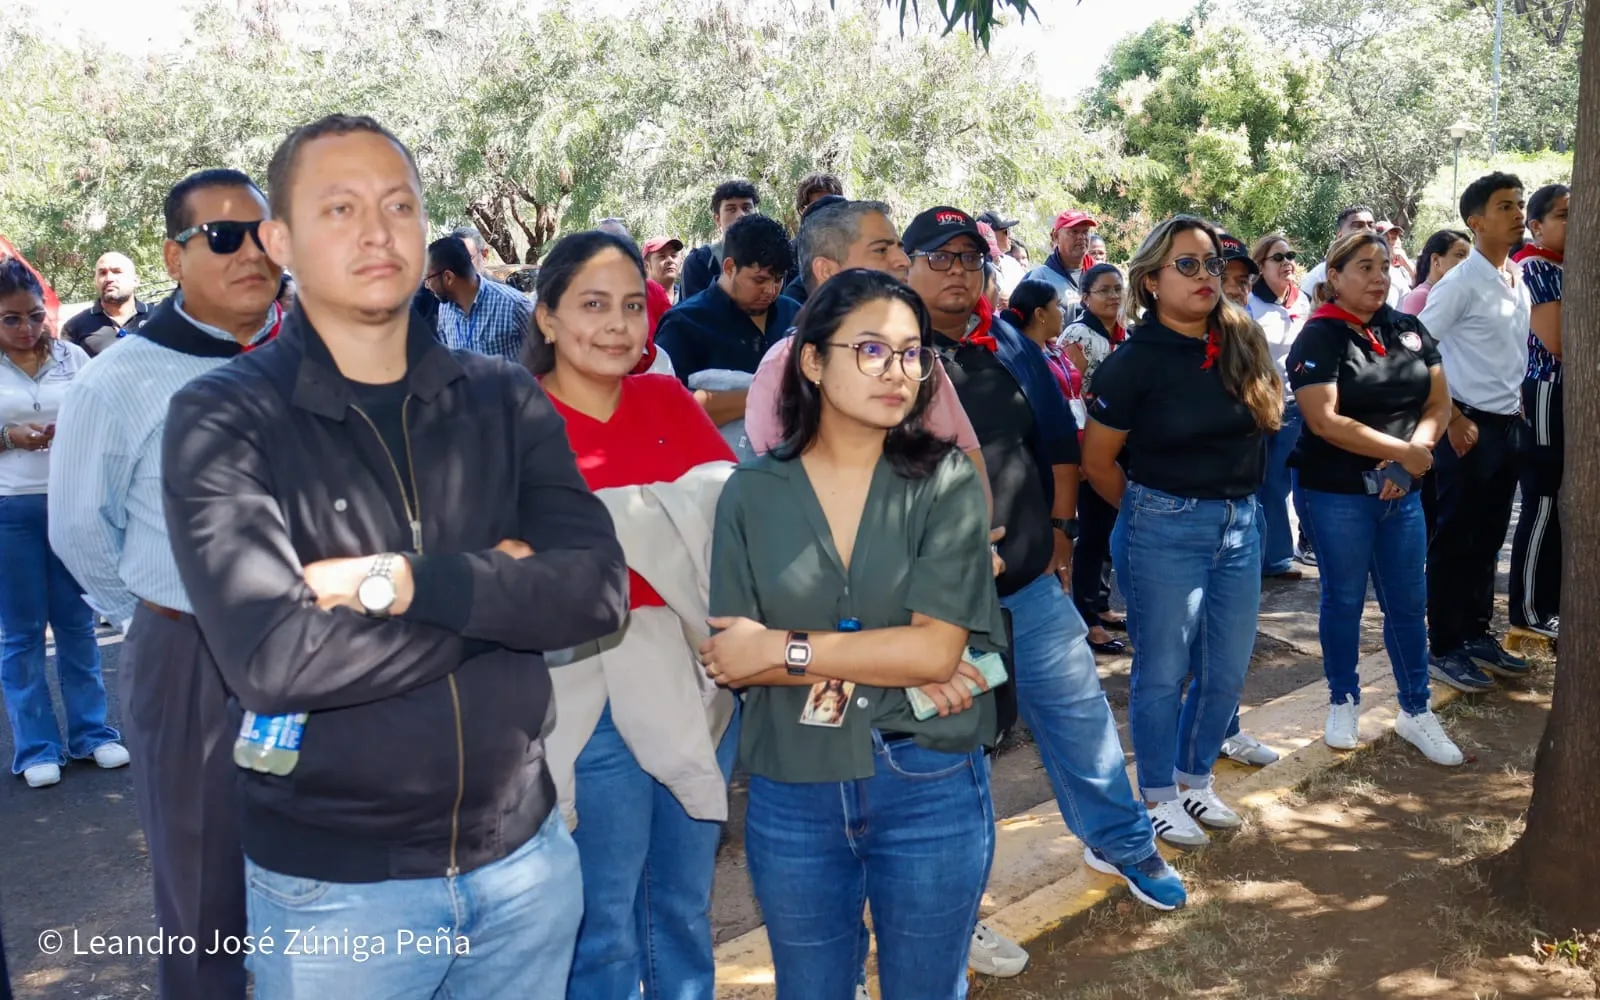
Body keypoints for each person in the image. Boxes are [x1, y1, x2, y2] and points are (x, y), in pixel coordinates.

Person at [160, 114, 628, 998]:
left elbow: (597, 593)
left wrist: (399, 582)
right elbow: (274, 659)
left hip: (525, 863)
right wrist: (504, 588)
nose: (377, 231)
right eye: (339, 208)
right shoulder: (224, 417)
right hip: (337, 896)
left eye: (399, 205)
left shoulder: (502, 398)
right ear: (281, 240)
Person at [703, 268, 1007, 999]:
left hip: (927, 776)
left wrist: (786, 649)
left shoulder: (945, 483)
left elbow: (935, 651)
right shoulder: (751, 492)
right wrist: (896, 651)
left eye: (912, 354)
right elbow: (731, 655)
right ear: (813, 360)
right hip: (794, 786)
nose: (897, 372)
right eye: (871, 350)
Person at [912, 206, 1187, 917]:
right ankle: (954, 912)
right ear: (904, 267)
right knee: (952, 753)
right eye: (938, 258)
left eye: (969, 259)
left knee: (1080, 716)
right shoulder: (881, 349)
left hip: (1028, 583)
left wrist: (1062, 529)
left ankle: (1124, 844)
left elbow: (1057, 444)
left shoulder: (1005, 339)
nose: (956, 272)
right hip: (931, 604)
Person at [49, 167, 283, 1000]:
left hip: (325, 652)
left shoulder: (316, 357)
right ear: (172, 256)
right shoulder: (118, 379)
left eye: (264, 232)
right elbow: (79, 529)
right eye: (224, 236)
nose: (251, 251)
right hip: (193, 661)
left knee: (332, 882)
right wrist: (161, 618)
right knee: (205, 891)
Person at [520, 229, 740, 1000]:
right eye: (591, 305)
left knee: (682, 905)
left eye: (629, 307)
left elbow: (735, 521)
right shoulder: (512, 423)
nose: (617, 325)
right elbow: (535, 567)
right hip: (591, 687)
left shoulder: (665, 399)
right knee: (604, 919)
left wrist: (611, 525)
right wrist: (667, 517)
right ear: (546, 318)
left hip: (698, 676)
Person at [1083, 216, 1283, 848]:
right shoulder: (1131, 364)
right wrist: (1152, 509)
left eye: (1211, 263)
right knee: (1163, 673)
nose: (1206, 276)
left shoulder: (1241, 340)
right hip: (1163, 526)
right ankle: (1159, 795)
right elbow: (1097, 464)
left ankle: (1196, 782)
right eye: (1187, 265)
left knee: (1224, 669)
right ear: (1151, 280)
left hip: (1241, 525)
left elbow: (1269, 423)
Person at [1289, 231, 1462, 764]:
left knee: (1408, 604)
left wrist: (1413, 456)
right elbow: (1324, 420)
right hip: (1337, 490)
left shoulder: (1408, 329)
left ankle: (1416, 709)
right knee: (1343, 600)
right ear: (1334, 277)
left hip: (1402, 489)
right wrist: (1403, 454)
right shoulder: (1319, 337)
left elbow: (1439, 402)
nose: (1379, 275)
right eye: (1363, 266)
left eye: (1384, 265)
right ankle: (1343, 699)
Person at [0, 258, 127, 789]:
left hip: (72, 507)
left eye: (34, 316)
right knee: (23, 633)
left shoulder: (75, 357)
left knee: (77, 624)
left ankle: (92, 734)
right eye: (11, 319)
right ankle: (36, 747)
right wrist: (9, 438)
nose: (27, 329)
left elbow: (107, 417)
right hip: (11, 512)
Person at [1419, 172, 1535, 691]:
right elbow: (1419, 348)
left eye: (1520, 204)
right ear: (1475, 220)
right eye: (1505, 206)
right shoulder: (1461, 282)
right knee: (1456, 536)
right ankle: (1444, 644)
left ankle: (1475, 633)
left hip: (1509, 425)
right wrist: (1455, 417)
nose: (1517, 214)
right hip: (1465, 426)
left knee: (1488, 536)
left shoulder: (1515, 278)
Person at [1001, 279, 1121, 658]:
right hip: (1054, 461)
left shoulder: (1051, 350)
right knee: (1074, 536)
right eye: (1056, 306)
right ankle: (1083, 617)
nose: (1061, 314)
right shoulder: (1022, 358)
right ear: (1039, 314)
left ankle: (1094, 605)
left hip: (1082, 447)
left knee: (1098, 530)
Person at [655, 214, 800, 442]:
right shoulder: (684, 324)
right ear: (730, 267)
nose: (771, 290)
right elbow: (664, 409)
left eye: (779, 279)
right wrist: (761, 396)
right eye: (759, 280)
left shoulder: (795, 315)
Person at [1056, 263, 1128, 645]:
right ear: (1085, 297)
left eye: (1118, 289)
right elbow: (1072, 394)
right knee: (1094, 529)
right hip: (1090, 446)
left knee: (1108, 529)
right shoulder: (1079, 334)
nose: (1113, 296)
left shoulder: (1122, 332)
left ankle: (1100, 603)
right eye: (1104, 290)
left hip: (1117, 442)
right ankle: (1086, 615)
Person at [1508, 183, 1567, 645]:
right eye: (1563, 215)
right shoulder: (1535, 266)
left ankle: (1552, 601)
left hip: (1566, 393)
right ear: (1537, 225)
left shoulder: (1568, 265)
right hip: (1545, 390)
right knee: (1542, 500)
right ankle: (1528, 609)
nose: (1573, 223)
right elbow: (1558, 341)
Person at [1248, 232, 1315, 574]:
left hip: (1293, 405)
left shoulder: (1302, 300)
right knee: (1257, 482)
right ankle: (1257, 558)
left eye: (1290, 255)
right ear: (1260, 266)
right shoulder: (1249, 303)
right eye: (1278, 257)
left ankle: (1274, 558)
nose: (1287, 262)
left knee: (1279, 483)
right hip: (1257, 404)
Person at [425, 234, 532, 361]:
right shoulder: (444, 309)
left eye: (427, 278)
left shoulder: (514, 305)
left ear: (448, 277)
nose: (426, 285)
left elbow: (545, 356)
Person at [678, 179, 761, 300]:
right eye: (731, 209)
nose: (741, 215)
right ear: (717, 219)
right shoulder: (700, 262)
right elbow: (692, 314)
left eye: (746, 208)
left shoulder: (772, 257)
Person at [61, 252, 149, 356]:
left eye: (117, 272)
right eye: (102, 273)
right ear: (95, 281)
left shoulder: (158, 318)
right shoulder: (74, 327)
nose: (109, 279)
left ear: (136, 281)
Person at [1024, 209, 1096, 316]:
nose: (1081, 237)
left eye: (1085, 231)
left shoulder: (1098, 274)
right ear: (1056, 236)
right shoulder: (1040, 278)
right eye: (1074, 231)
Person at [1398, 229, 1473, 316]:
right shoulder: (1420, 297)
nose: (1467, 262)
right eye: (1460, 255)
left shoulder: (1458, 295)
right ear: (1436, 260)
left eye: (1469, 257)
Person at [977, 211, 1027, 298]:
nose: (1010, 236)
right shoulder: (975, 265)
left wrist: (1012, 302)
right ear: (990, 233)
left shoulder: (1012, 264)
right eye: (1006, 231)